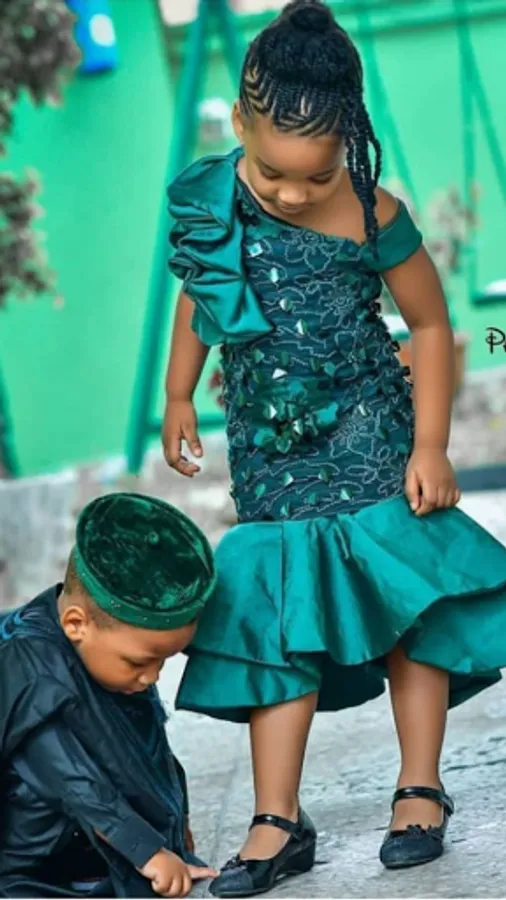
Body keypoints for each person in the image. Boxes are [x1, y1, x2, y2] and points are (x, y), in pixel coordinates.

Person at [162, 0, 506, 895]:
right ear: (240, 126)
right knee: (277, 620)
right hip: (271, 453)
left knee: (410, 605)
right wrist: (177, 394)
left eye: (314, 177)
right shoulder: (215, 204)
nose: (289, 195)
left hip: (373, 437)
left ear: (350, 140)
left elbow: (430, 325)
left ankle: (420, 788)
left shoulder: (373, 211)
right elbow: (200, 297)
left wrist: (431, 446)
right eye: (272, 174)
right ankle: (277, 818)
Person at [0, 492, 218, 898]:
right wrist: (148, 852)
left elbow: (152, 751)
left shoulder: (105, 655)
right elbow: (71, 779)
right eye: (140, 662)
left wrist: (176, 829)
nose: (151, 677)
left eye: (163, 662)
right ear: (76, 624)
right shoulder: (30, 669)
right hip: (24, 858)